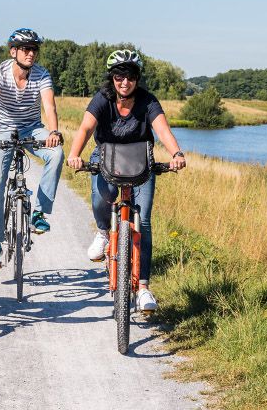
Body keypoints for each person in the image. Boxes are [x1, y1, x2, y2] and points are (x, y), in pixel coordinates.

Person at [66, 49, 186, 312]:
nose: (124, 82)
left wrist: (176, 153)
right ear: (112, 78)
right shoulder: (102, 99)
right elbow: (86, 128)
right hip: (106, 153)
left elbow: (162, 129)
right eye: (119, 76)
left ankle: (143, 288)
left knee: (142, 220)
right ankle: (102, 232)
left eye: (130, 76)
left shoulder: (147, 100)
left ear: (137, 78)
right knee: (101, 198)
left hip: (140, 158)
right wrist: (74, 154)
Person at [0, 28, 63, 269]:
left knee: (56, 154)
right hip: (2, 131)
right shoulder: (0, 72)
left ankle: (38, 213)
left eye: (34, 49)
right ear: (13, 51)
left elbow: (49, 105)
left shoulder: (41, 74)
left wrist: (54, 132)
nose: (31, 54)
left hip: (32, 128)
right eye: (26, 49)